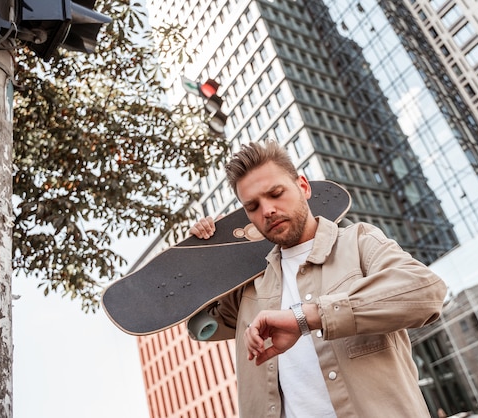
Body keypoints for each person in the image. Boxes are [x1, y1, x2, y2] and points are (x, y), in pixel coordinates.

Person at [189, 140, 447, 417]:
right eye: (253, 206)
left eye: (276, 193)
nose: (267, 211)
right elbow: (201, 325)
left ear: (303, 186)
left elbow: (426, 292)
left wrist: (308, 317)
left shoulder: (357, 241)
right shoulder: (249, 286)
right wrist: (207, 254)